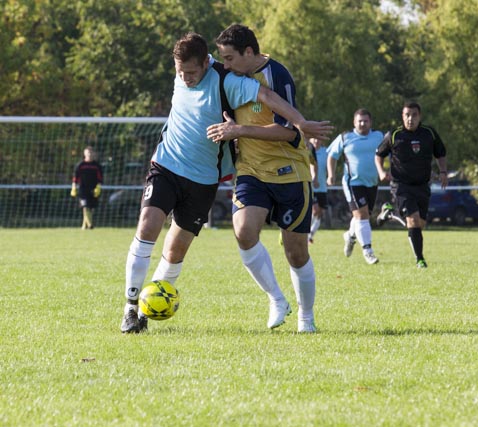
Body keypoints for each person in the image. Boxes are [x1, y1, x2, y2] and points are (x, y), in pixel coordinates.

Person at [121, 32, 331, 333]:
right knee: (147, 226)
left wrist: (300, 123)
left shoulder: (227, 80)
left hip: (205, 179)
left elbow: (268, 97)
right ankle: (131, 310)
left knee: (177, 249)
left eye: (191, 72)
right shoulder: (183, 75)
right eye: (180, 72)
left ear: (205, 63)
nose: (185, 78)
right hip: (167, 165)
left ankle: (304, 317)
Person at [209, 24, 323, 333]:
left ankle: (306, 317)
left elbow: (289, 131)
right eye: (223, 59)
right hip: (251, 171)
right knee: (244, 232)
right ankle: (276, 299)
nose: (226, 65)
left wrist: (239, 130)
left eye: (230, 58)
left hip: (289, 172)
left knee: (296, 252)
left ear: (249, 52)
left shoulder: (277, 75)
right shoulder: (230, 77)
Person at [374, 101, 447, 269]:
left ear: (419, 116)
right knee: (413, 221)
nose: (410, 118)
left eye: (414, 115)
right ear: (402, 116)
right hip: (401, 185)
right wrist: (381, 172)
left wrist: (443, 172)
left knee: (419, 225)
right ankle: (420, 259)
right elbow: (378, 155)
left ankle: (389, 214)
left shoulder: (429, 133)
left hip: (422, 185)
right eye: (407, 115)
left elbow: (440, 153)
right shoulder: (394, 135)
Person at [326, 109, 384, 265]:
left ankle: (350, 236)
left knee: (361, 216)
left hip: (372, 183)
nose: (362, 123)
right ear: (354, 122)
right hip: (353, 183)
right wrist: (331, 175)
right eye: (360, 121)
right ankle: (368, 251)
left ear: (370, 122)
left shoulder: (379, 137)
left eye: (365, 121)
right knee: (362, 215)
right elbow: (332, 156)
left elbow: (389, 153)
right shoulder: (345, 137)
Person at [70, 146, 103, 230]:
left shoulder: (97, 166)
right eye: (88, 153)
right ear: (84, 154)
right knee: (85, 206)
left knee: (91, 207)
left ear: (93, 154)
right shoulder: (80, 165)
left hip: (93, 189)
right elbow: (75, 177)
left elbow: (100, 178)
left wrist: (98, 187)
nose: (89, 154)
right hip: (83, 189)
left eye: (91, 153)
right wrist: (73, 187)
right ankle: (90, 224)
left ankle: (84, 225)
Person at [308, 137, 328, 244]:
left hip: (322, 187)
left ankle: (310, 235)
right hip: (310, 187)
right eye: (314, 138)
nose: (316, 141)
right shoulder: (307, 150)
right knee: (314, 210)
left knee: (320, 212)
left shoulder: (326, 152)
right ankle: (304, 232)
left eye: (318, 138)